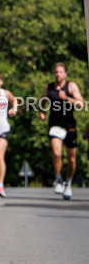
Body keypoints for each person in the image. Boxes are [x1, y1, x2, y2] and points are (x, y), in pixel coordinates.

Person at [39, 62, 84, 199]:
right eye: (56, 72)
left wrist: (68, 98)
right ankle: (58, 179)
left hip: (69, 126)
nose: (57, 74)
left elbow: (81, 104)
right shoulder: (49, 87)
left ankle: (68, 183)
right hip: (55, 125)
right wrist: (41, 111)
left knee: (71, 159)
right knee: (57, 153)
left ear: (65, 74)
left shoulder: (71, 86)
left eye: (60, 72)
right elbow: (42, 100)